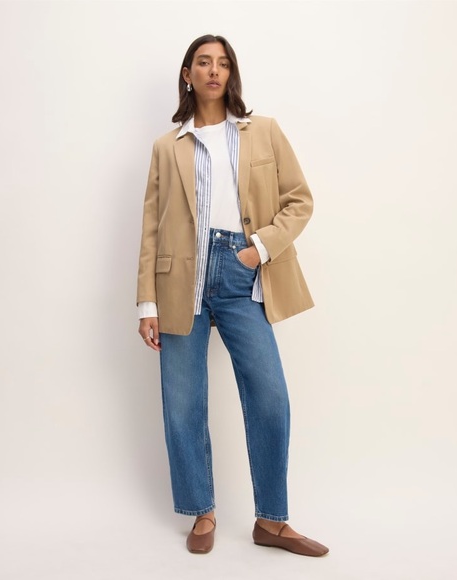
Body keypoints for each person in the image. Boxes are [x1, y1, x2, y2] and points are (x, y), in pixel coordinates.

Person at [136, 34, 329, 557]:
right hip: (181, 280)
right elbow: (152, 226)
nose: (213, 71)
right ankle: (202, 511)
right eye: (203, 62)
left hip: (242, 271)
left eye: (222, 63)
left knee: (270, 395)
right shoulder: (167, 146)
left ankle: (272, 521)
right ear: (187, 74)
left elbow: (299, 200)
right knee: (183, 403)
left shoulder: (262, 131)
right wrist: (147, 302)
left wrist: (258, 249)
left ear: (231, 73)